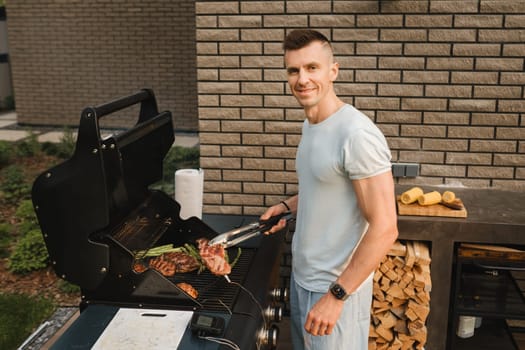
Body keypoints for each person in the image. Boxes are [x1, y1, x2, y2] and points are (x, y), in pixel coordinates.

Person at [260, 29, 399, 350]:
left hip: (335, 290)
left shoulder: (356, 135)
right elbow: (325, 185)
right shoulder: (311, 125)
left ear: (333, 70)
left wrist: (336, 296)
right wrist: (288, 206)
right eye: (294, 70)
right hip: (303, 279)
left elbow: (385, 227)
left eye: (312, 68)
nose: (302, 79)